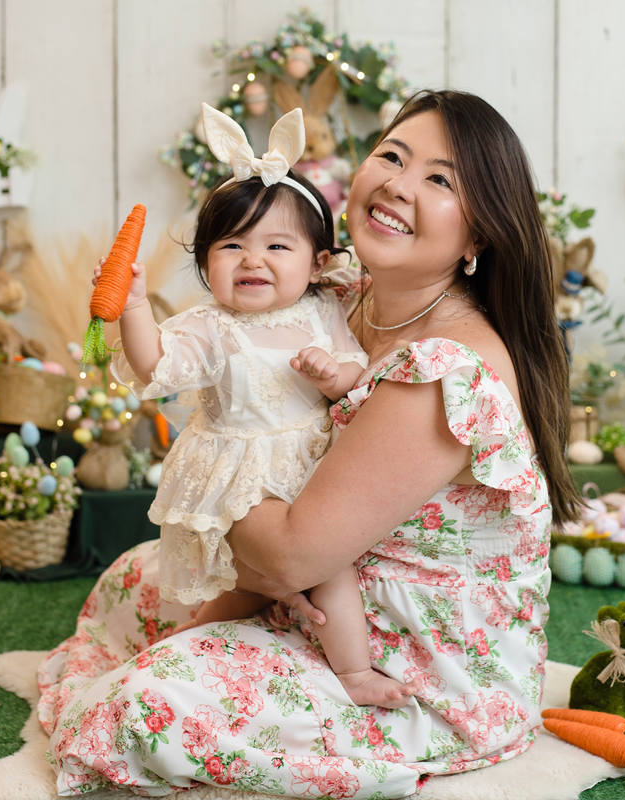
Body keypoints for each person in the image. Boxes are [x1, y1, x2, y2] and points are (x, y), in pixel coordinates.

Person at [36, 90, 580, 798]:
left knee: (143, 705)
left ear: (478, 237)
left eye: (439, 180)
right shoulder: (342, 297)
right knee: (133, 581)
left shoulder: (448, 369)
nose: (397, 184)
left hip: (403, 663)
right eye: (392, 155)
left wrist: (219, 498)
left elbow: (292, 550)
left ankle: (350, 705)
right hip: (318, 588)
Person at [103, 104, 417, 709]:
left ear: (317, 262)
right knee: (268, 577)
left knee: (317, 567)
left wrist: (334, 377)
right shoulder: (209, 328)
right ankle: (191, 647)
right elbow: (152, 368)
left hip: (313, 471)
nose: (253, 259)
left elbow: (355, 372)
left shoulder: (321, 309)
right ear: (205, 263)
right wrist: (135, 305)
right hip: (241, 476)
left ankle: (348, 671)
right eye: (231, 246)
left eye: (277, 245)